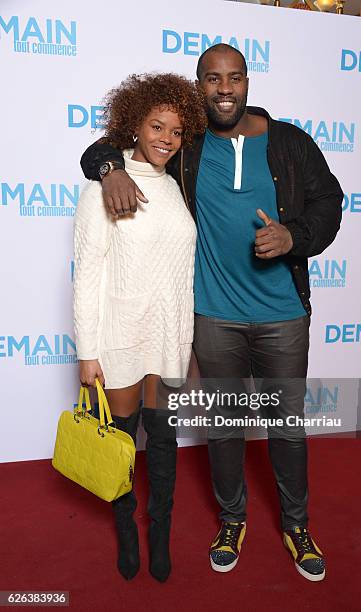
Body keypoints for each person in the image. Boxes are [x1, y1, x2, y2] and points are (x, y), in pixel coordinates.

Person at [80, 44, 343, 582]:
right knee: (224, 427)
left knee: (286, 427)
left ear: (247, 81)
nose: (224, 89)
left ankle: (296, 526)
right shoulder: (187, 144)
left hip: (283, 315)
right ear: (199, 86)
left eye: (235, 78)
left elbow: (330, 203)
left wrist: (295, 236)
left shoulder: (289, 142)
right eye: (212, 79)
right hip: (215, 318)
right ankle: (231, 520)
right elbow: (110, 146)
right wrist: (108, 170)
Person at [73, 72, 206, 582]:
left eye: (175, 130)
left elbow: (182, 273)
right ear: (135, 123)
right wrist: (89, 352)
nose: (165, 139)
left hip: (169, 338)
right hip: (122, 336)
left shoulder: (174, 186)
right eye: (156, 126)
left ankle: (160, 531)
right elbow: (87, 276)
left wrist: (187, 342)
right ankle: (126, 529)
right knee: (123, 442)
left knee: (165, 440)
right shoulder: (104, 182)